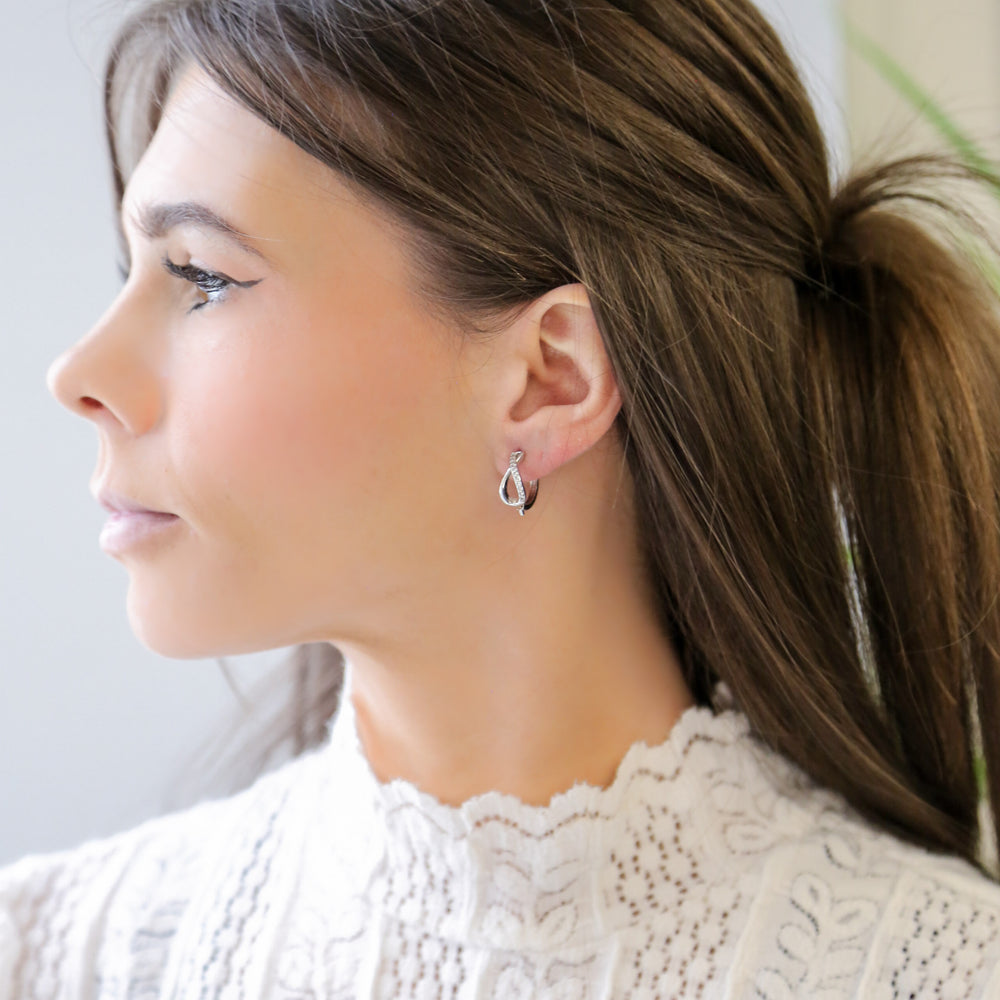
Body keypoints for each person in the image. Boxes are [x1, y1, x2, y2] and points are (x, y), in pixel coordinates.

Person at [4, 0, 1000, 995]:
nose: (77, 372)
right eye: (129, 269)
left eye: (203, 278)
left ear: (549, 378)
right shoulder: (54, 955)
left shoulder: (941, 972)